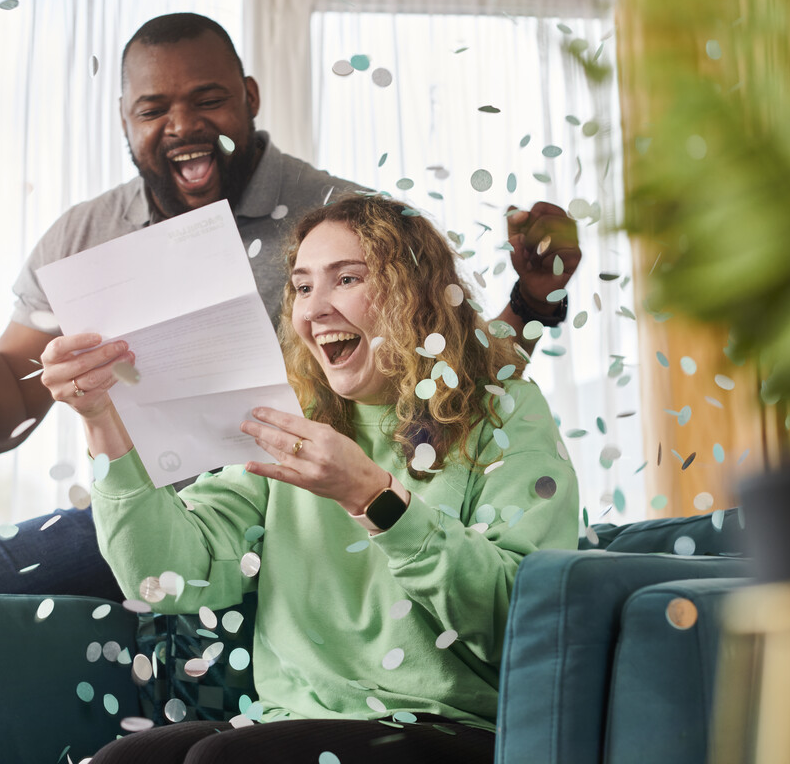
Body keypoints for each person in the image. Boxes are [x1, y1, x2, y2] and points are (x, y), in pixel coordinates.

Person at [0, 12, 580, 612]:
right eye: (152, 109)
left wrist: (529, 302)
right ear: (124, 119)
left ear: (250, 98)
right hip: (160, 511)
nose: (183, 126)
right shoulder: (85, 236)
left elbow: (451, 375)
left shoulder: (341, 220)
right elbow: (0, 427)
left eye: (209, 100)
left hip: (300, 513)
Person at [41, 194, 579, 763]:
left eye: (346, 279)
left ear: (416, 295)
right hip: (291, 720)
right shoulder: (295, 423)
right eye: (301, 287)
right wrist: (101, 419)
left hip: (454, 728)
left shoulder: (506, 412)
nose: (314, 310)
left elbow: (525, 621)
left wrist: (374, 498)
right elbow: (162, 576)